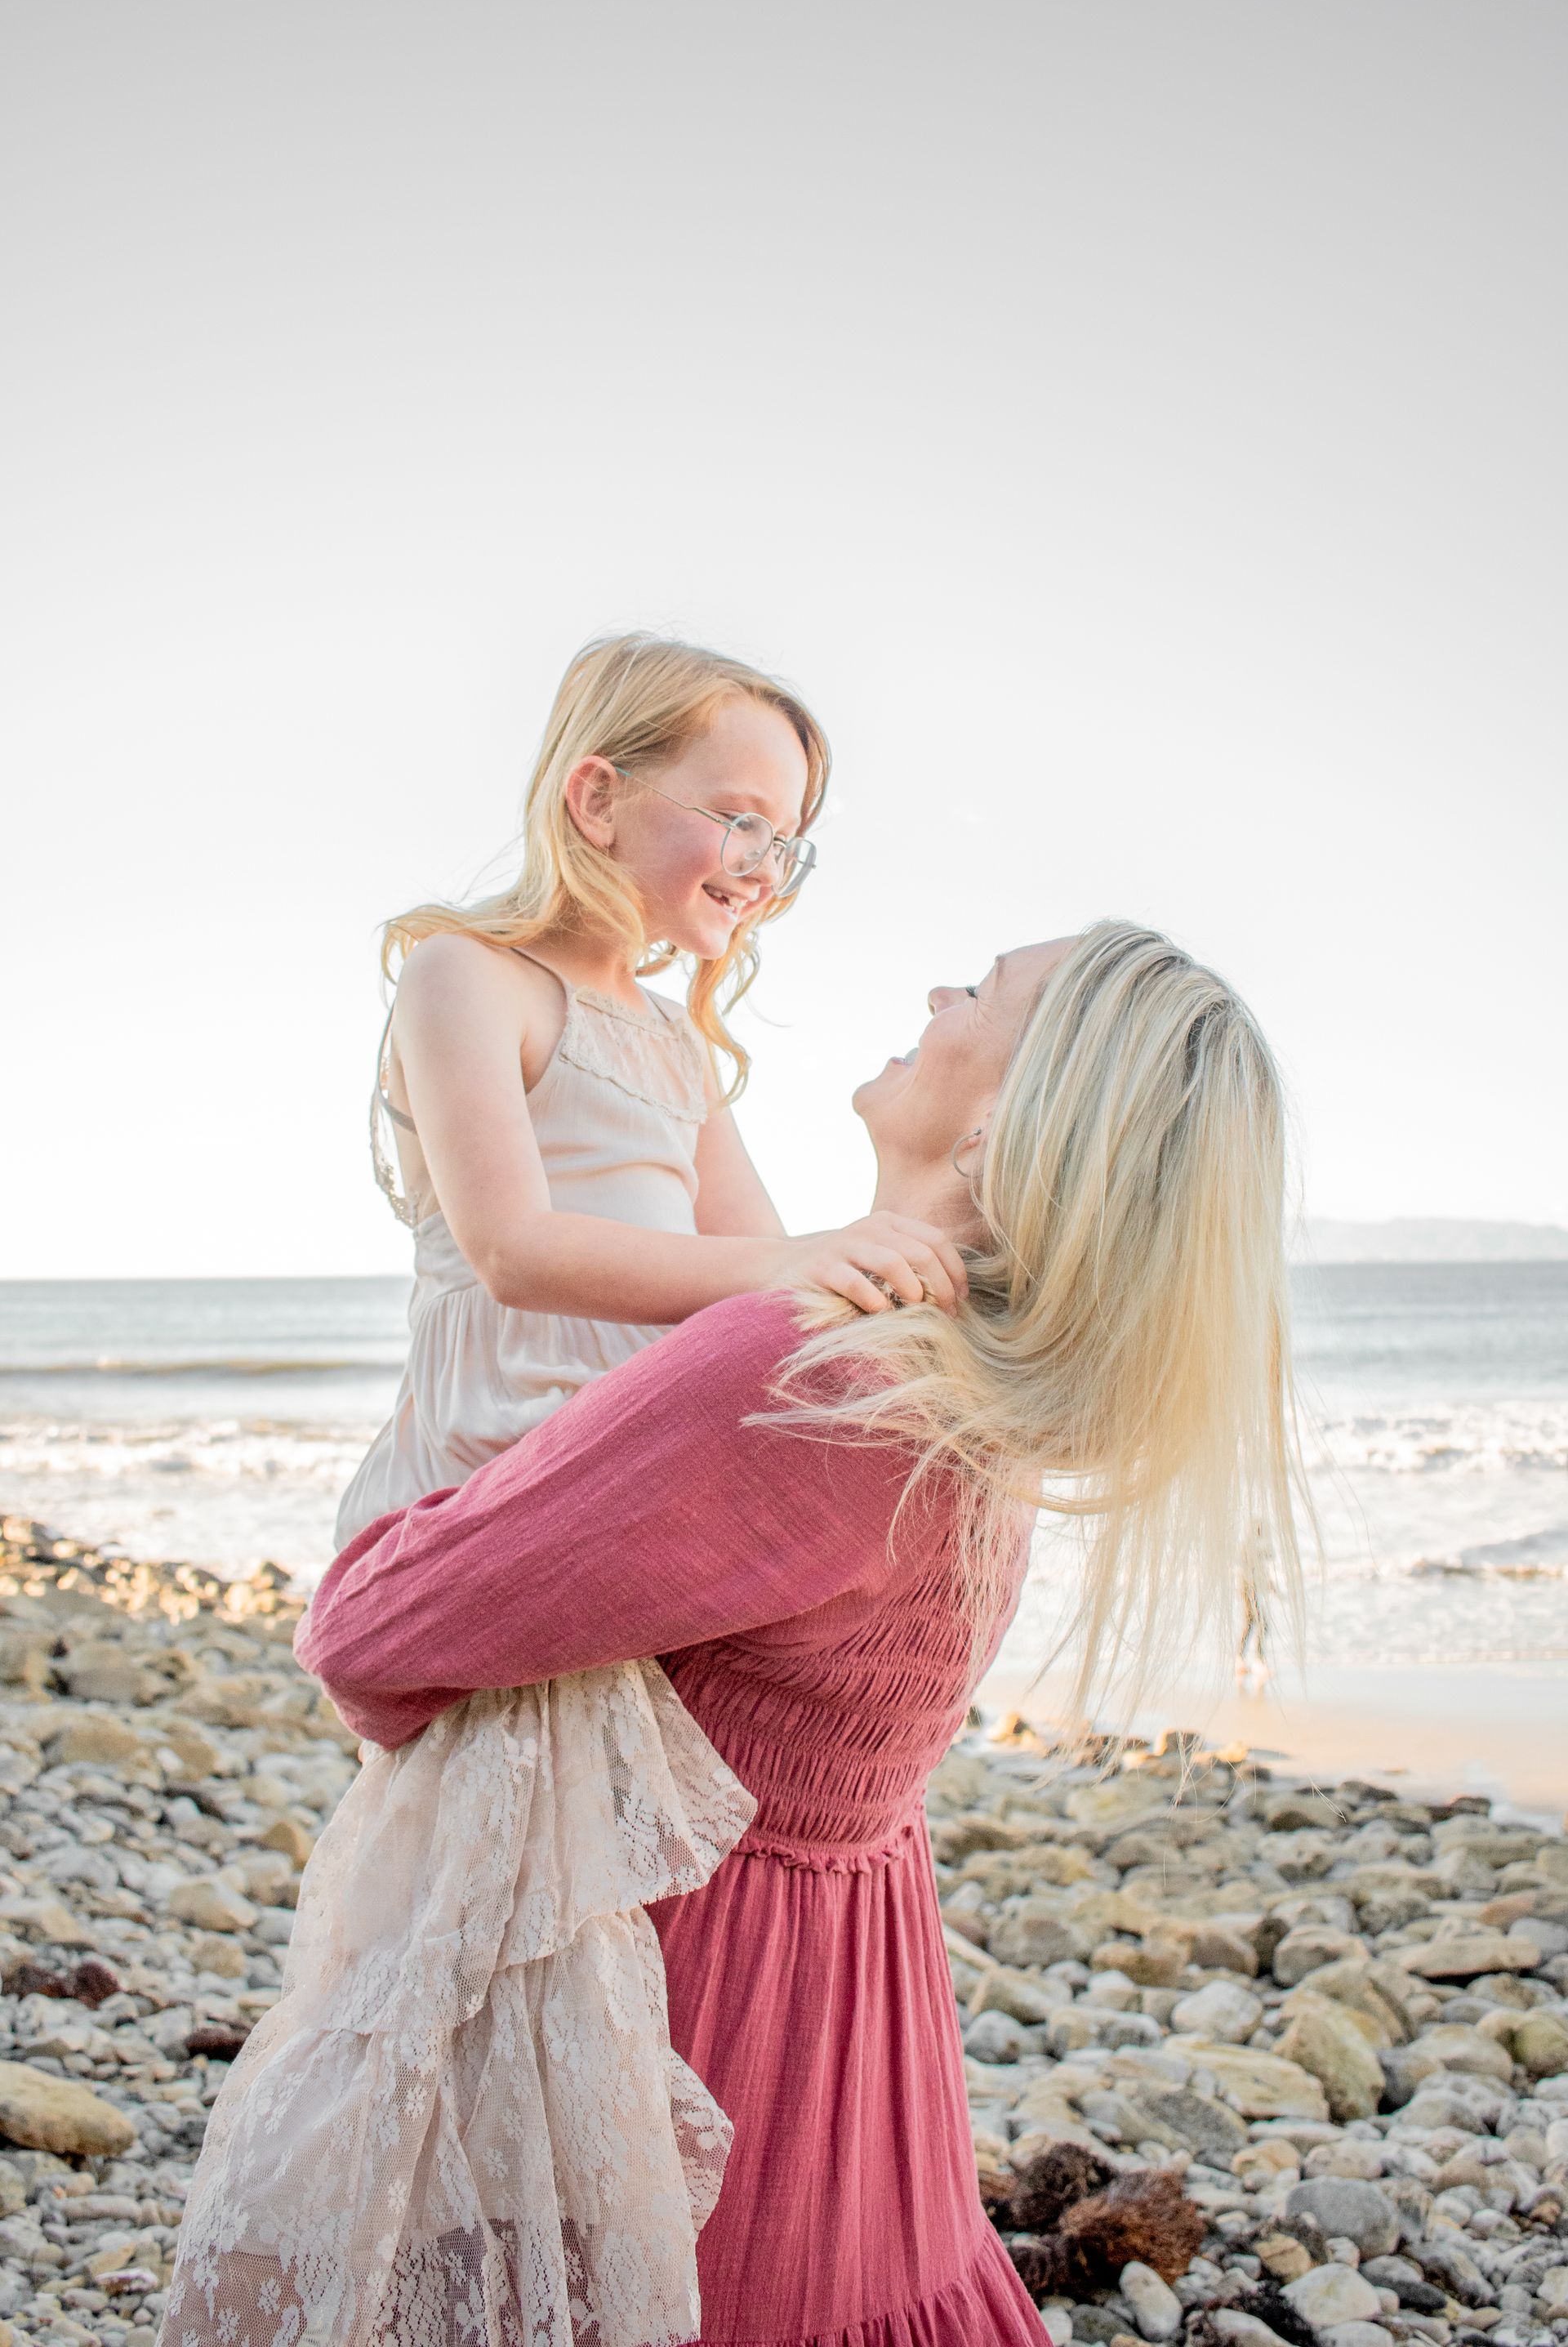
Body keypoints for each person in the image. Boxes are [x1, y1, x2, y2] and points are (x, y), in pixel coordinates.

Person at [291, 921, 1307, 2347]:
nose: (940, 986)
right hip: (844, 2038)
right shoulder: (971, 1401)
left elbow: (369, 1632)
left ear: (1010, 1117)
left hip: (692, 2044)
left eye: (986, 988)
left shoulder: (809, 1366)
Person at [161, 633, 968, 2347]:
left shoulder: (675, 1047)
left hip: (610, 1519)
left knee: (571, 1944)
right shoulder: (473, 978)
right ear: (596, 793)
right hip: (487, 1502)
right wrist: (821, 1254)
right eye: (734, 814)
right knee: (442, 1935)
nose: (760, 865)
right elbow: (520, 1248)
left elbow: (760, 1277)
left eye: (791, 840)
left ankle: (572, 2245)